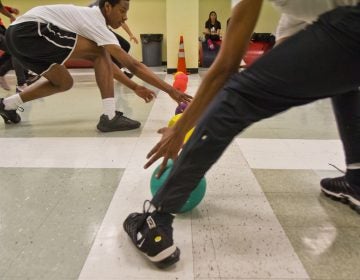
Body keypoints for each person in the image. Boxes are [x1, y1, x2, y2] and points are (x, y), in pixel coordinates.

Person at [123, 0, 360, 269]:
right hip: (346, 31)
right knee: (343, 74)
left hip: (350, 25)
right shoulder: (300, 15)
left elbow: (226, 70)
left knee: (238, 95)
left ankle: (156, 218)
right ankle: (357, 178)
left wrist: (181, 128)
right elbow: (285, 65)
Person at [0, 0, 191, 130]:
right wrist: (171, 91)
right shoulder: (95, 20)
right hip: (32, 30)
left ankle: (8, 105)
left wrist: (134, 86)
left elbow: (104, 64)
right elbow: (133, 65)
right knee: (100, 52)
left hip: (15, 37)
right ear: (107, 6)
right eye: (122, 11)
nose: (125, 18)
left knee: (64, 82)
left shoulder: (89, 20)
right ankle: (109, 117)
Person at [89, 0, 138, 78]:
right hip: (94, 31)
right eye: (122, 11)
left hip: (105, 29)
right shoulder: (94, 7)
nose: (125, 17)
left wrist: (131, 34)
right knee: (106, 50)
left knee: (125, 45)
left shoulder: (115, 4)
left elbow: (122, 21)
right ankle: (118, 69)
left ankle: (121, 68)